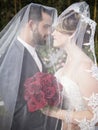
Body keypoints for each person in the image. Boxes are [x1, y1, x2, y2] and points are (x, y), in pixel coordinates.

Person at [0, 3, 61, 130]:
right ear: (31, 24)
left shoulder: (35, 51)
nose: (50, 32)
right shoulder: (12, 56)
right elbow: (15, 107)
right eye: (46, 27)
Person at [42, 1, 98, 130]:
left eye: (57, 30)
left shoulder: (85, 67)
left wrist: (53, 112)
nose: (52, 33)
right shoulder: (68, 60)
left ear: (72, 33)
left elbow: (95, 116)